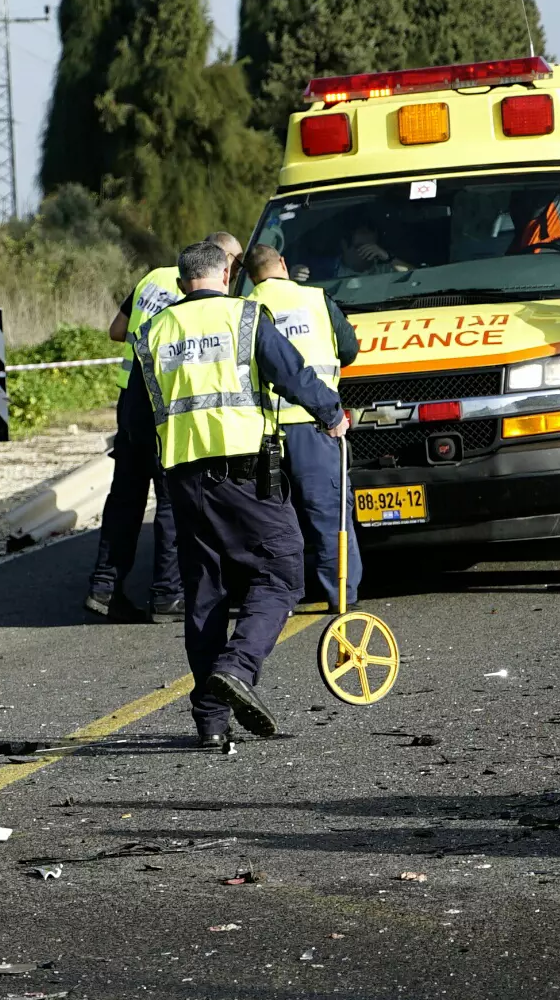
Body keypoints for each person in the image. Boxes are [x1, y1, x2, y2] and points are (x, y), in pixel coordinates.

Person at [134, 240, 349, 751]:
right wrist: (331, 412)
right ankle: (238, 667)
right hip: (244, 472)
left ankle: (210, 722)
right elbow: (291, 372)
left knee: (205, 591)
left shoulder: (154, 331)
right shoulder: (246, 317)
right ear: (228, 272)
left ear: (182, 280)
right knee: (281, 571)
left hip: (184, 477)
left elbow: (150, 410)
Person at [87, 232, 242, 620]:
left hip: (129, 403)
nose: (234, 273)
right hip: (164, 407)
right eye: (233, 265)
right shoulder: (197, 297)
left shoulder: (152, 278)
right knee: (172, 502)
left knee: (125, 498)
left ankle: (104, 588)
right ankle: (167, 593)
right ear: (219, 262)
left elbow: (117, 331)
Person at [242, 242, 362, 607]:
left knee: (271, 521)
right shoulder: (317, 299)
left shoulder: (244, 310)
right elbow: (349, 349)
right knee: (330, 515)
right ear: (282, 263)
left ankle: (275, 598)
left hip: (263, 432)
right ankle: (341, 596)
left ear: (249, 276)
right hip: (317, 425)